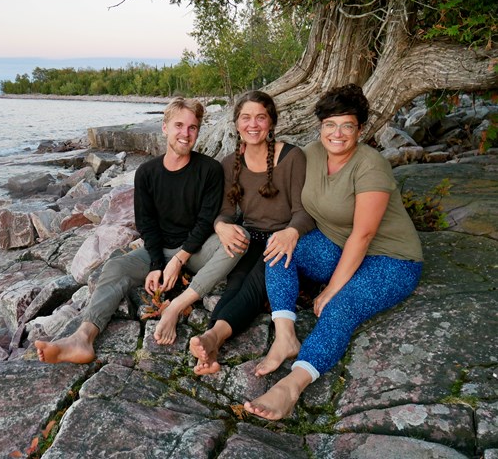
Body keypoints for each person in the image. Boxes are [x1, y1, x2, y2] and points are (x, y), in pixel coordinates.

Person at [243, 84, 424, 420]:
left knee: (340, 306)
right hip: (337, 248)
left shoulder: (371, 165)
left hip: (391, 260)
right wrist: (285, 230)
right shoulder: (310, 154)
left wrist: (332, 288)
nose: (337, 134)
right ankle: (285, 337)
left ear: (360, 129)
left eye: (347, 126)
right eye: (330, 125)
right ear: (320, 126)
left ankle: (291, 387)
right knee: (280, 247)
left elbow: (364, 234)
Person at [35, 97, 243, 364]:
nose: (185, 133)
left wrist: (178, 262)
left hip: (197, 250)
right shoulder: (146, 173)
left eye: (192, 127)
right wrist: (157, 264)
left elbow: (205, 222)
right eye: (179, 125)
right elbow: (147, 225)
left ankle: (178, 305)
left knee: (240, 239)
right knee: (115, 267)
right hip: (159, 250)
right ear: (165, 127)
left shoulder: (209, 170)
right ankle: (83, 337)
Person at [190, 90, 314, 375]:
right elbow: (224, 211)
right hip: (251, 237)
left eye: (261, 117)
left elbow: (304, 210)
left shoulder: (292, 157)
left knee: (254, 287)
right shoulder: (229, 163)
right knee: (236, 282)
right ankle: (209, 345)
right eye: (246, 118)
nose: (253, 124)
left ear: (271, 123)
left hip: (283, 240)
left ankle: (214, 337)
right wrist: (221, 227)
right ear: (236, 124)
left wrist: (292, 232)